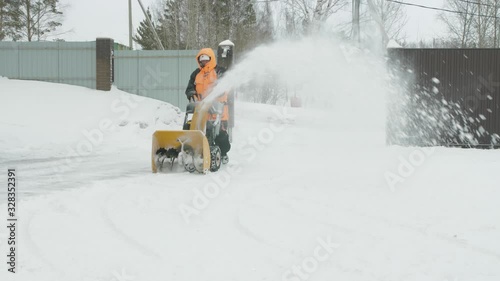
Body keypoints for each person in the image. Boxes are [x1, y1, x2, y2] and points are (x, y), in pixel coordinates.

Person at [185, 48, 231, 164]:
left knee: (220, 135)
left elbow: (225, 85)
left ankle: (223, 153)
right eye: (201, 59)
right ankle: (187, 146)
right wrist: (191, 93)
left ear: (211, 59)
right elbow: (190, 88)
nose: (203, 62)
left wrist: (218, 92)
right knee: (191, 121)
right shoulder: (196, 74)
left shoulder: (220, 71)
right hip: (200, 109)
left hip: (218, 109)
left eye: (206, 59)